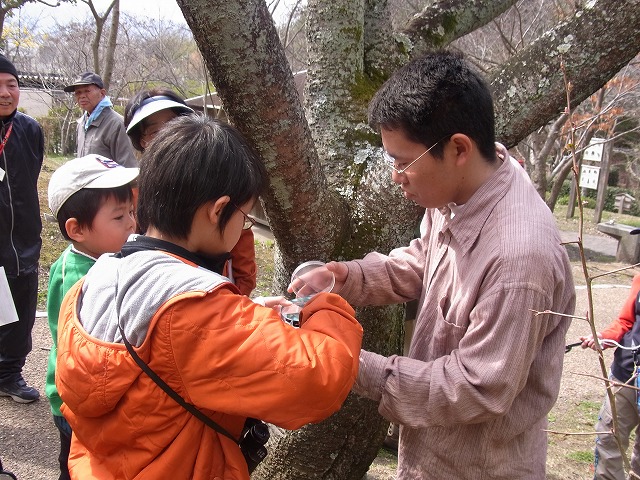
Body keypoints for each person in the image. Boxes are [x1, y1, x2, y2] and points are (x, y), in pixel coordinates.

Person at [300, 51, 576, 479]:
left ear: (459, 148)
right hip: (431, 452)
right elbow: (423, 262)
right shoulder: (456, 194)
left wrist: (351, 364)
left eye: (402, 161)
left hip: (479, 467)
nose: (396, 176)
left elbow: (477, 387)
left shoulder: (519, 261)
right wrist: (343, 276)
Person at [55, 114, 363, 480]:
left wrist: (243, 311)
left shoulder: (94, 279)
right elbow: (317, 381)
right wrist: (325, 307)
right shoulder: (195, 311)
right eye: (244, 217)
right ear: (218, 210)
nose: (243, 227)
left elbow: (165, 349)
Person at [45, 155, 138, 480]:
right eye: (118, 216)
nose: (131, 223)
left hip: (84, 395)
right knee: (79, 466)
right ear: (77, 229)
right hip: (78, 402)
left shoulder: (100, 258)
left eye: (131, 212)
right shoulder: (83, 278)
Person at [124, 88, 257, 296]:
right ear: (142, 141)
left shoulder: (220, 186)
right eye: (155, 132)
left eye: (174, 125)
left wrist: (239, 297)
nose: (168, 135)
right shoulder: (132, 196)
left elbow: (241, 248)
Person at [0, 53, 44, 404]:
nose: (5, 93)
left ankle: (10, 374)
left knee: (21, 312)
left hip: (25, 241)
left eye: (11, 84)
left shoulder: (30, 129)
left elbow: (31, 176)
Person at [580, 252, 640, 480]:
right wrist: (604, 337)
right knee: (608, 438)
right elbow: (626, 321)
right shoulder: (639, 280)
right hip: (625, 375)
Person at [64, 72, 137, 168]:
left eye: (87, 91)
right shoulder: (81, 123)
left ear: (102, 93)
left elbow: (128, 166)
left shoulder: (116, 124)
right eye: (78, 92)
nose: (82, 96)